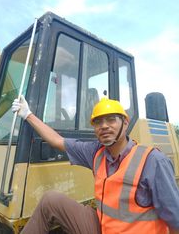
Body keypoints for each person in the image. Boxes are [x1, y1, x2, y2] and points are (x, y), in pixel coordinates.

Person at [12, 96, 179, 234]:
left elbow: (175, 220)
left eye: (111, 120)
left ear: (125, 123)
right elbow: (58, 141)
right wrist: (27, 114)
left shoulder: (153, 161)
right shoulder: (95, 152)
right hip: (103, 228)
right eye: (98, 122)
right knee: (50, 200)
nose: (104, 126)